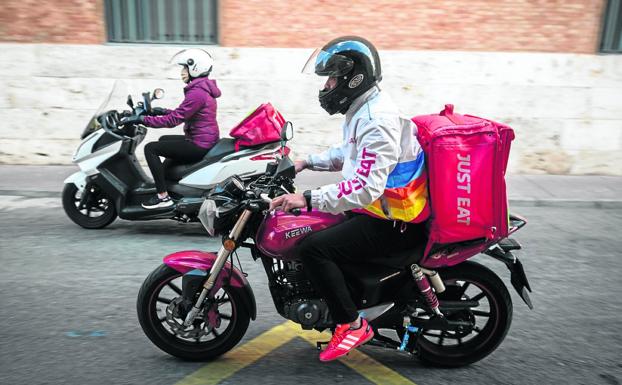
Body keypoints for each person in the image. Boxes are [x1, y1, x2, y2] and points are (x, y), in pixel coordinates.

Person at [269, 36, 430, 362]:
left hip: (395, 222)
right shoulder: (365, 110)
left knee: (313, 248)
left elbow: (367, 187)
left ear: (353, 78)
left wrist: (308, 198)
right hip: (379, 213)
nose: (326, 87)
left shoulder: (375, 120)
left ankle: (351, 323)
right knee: (319, 231)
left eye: (330, 79)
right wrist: (306, 162)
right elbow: (350, 153)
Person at [121, 48, 221, 209]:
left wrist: (143, 119)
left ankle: (163, 197)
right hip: (204, 139)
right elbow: (184, 113)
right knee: (163, 141)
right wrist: (160, 111)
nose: (182, 72)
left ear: (195, 68)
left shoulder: (197, 93)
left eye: (184, 68)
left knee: (151, 149)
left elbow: (173, 120)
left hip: (199, 144)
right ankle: (168, 183)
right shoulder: (202, 89)